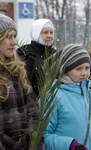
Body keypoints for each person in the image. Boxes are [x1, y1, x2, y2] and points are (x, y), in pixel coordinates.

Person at [43, 44, 91, 150]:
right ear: (65, 70)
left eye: (87, 68)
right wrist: (69, 145)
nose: (84, 73)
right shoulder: (52, 97)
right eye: (78, 69)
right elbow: (43, 136)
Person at [0, 14, 44, 149]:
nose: (14, 42)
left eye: (14, 36)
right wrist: (13, 145)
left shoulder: (18, 70)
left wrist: (32, 141)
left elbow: (33, 111)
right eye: (8, 37)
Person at [17, 18, 56, 97]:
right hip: (31, 103)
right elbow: (21, 82)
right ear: (36, 33)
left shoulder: (55, 53)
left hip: (52, 102)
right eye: (45, 32)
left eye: (51, 32)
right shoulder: (24, 52)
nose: (49, 36)